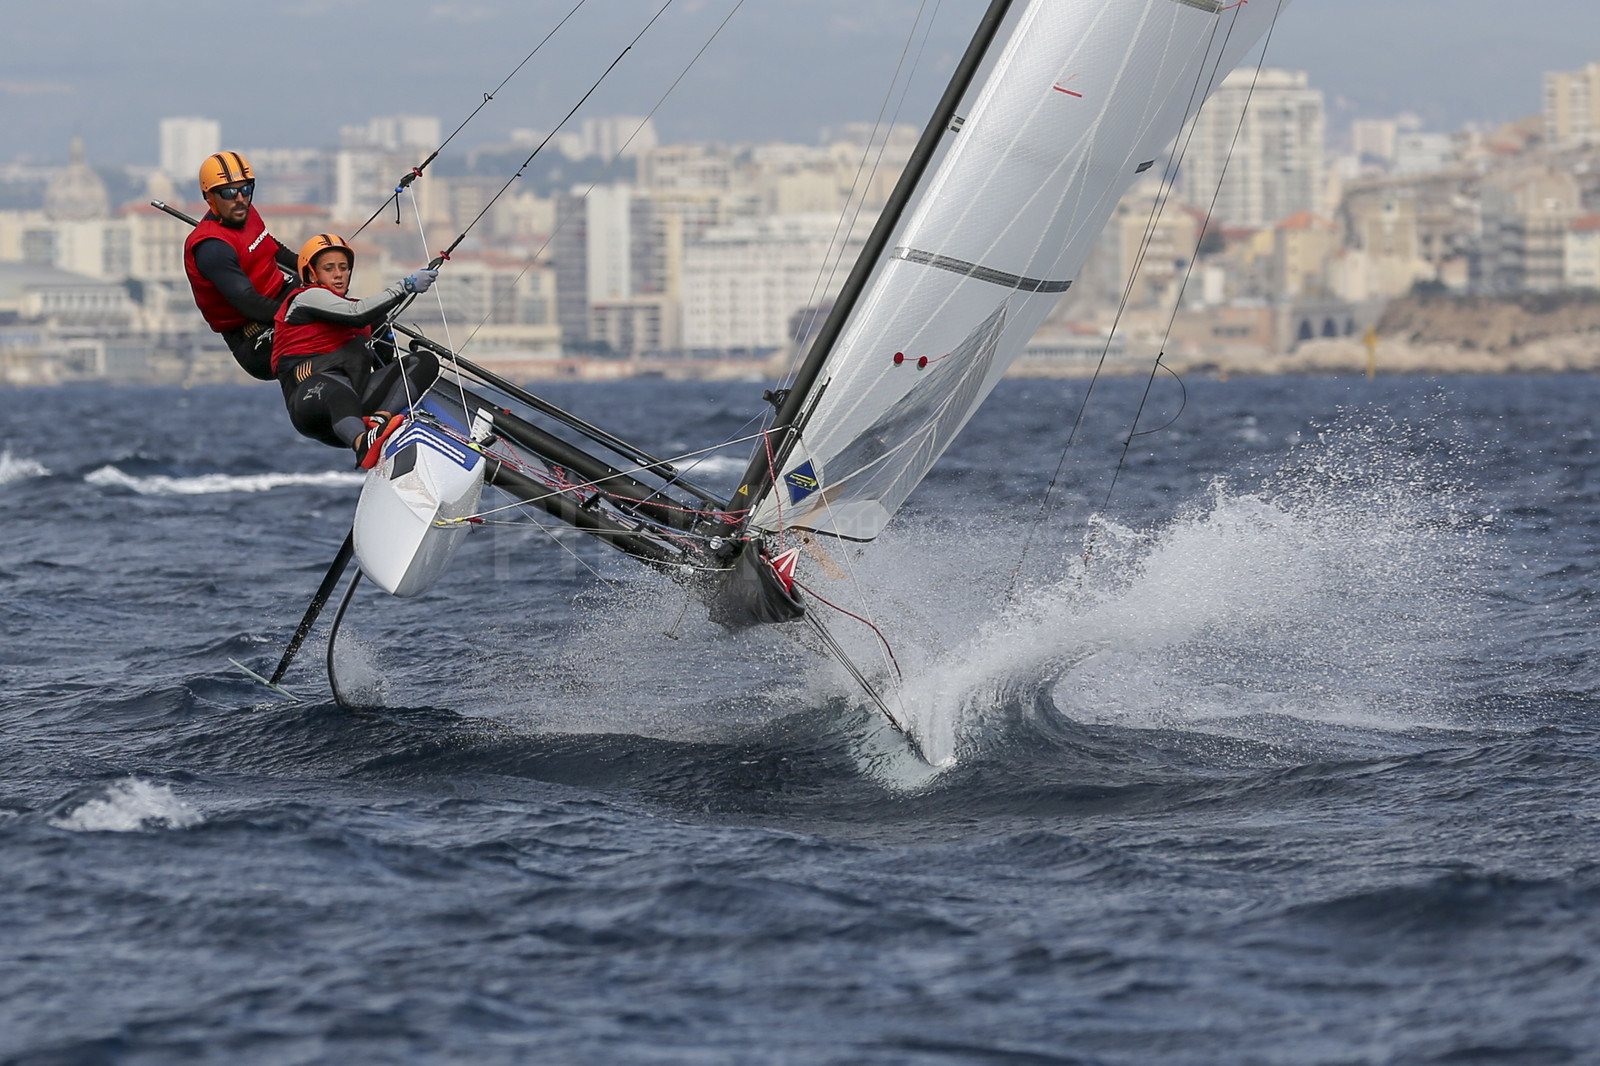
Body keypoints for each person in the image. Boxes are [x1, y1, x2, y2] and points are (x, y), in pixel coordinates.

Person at [272, 233, 442, 468]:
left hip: (356, 403)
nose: (339, 274)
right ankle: (363, 443)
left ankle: (380, 422)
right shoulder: (305, 299)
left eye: (343, 267)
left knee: (425, 361)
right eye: (329, 268)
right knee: (337, 389)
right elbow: (358, 313)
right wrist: (407, 286)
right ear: (312, 274)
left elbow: (384, 360)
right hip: (311, 403)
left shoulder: (364, 313)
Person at [182, 151, 298, 380]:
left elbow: (272, 247)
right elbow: (248, 303)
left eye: (246, 190)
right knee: (325, 324)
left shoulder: (245, 212)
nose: (240, 199)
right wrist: (304, 313)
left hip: (281, 300)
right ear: (210, 197)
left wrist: (315, 263)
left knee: (350, 307)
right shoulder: (212, 248)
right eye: (228, 193)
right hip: (254, 338)